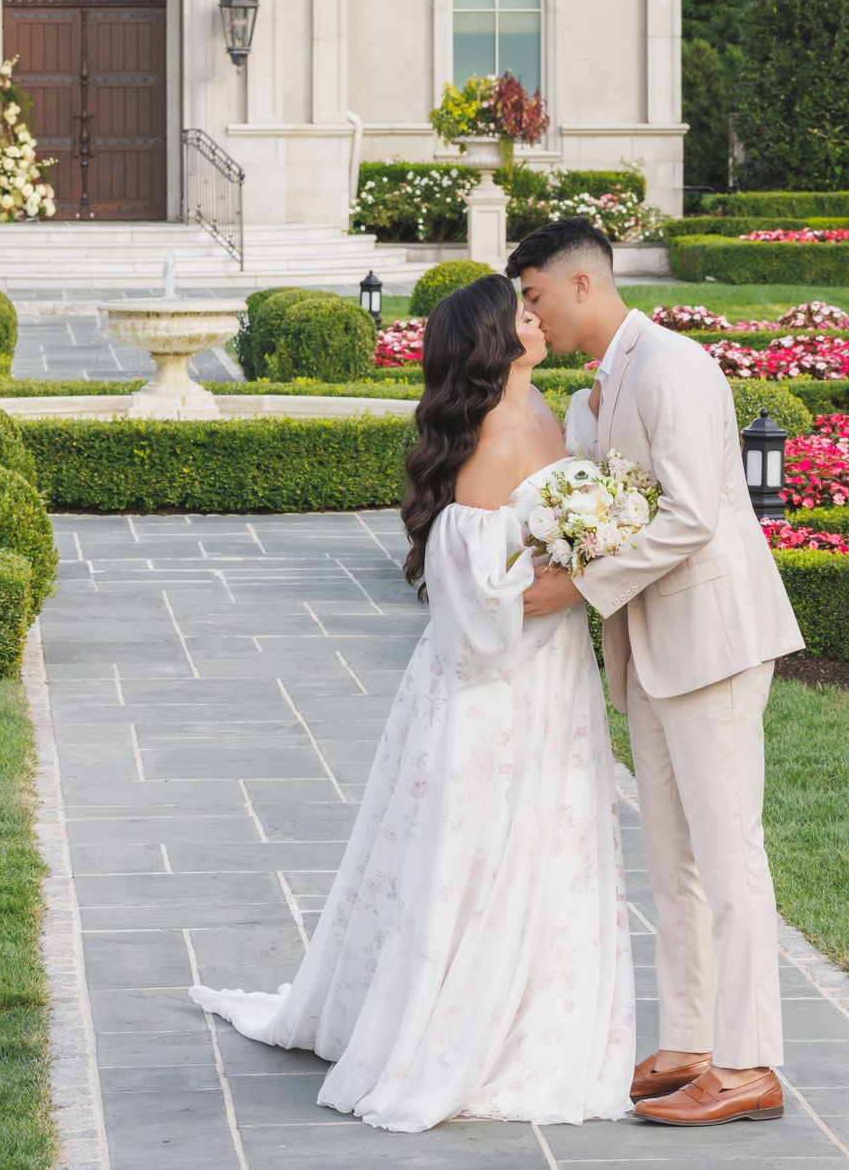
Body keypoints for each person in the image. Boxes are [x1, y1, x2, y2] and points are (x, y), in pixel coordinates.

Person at [190, 273, 635, 1130]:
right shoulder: (495, 440)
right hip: (493, 693)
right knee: (478, 850)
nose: (536, 319)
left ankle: (541, 1011)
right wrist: (575, 578)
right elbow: (477, 608)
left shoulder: (554, 413)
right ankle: (456, 1026)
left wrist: (592, 546)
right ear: (492, 343)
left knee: (554, 840)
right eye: (521, 314)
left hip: (553, 682)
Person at [509, 217, 807, 1128]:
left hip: (713, 640)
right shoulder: (596, 397)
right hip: (649, 650)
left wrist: (580, 586)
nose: (531, 317)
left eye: (534, 297)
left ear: (583, 286)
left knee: (727, 854)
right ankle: (689, 1044)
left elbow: (689, 517)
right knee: (670, 857)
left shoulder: (674, 366)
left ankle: (752, 1063)